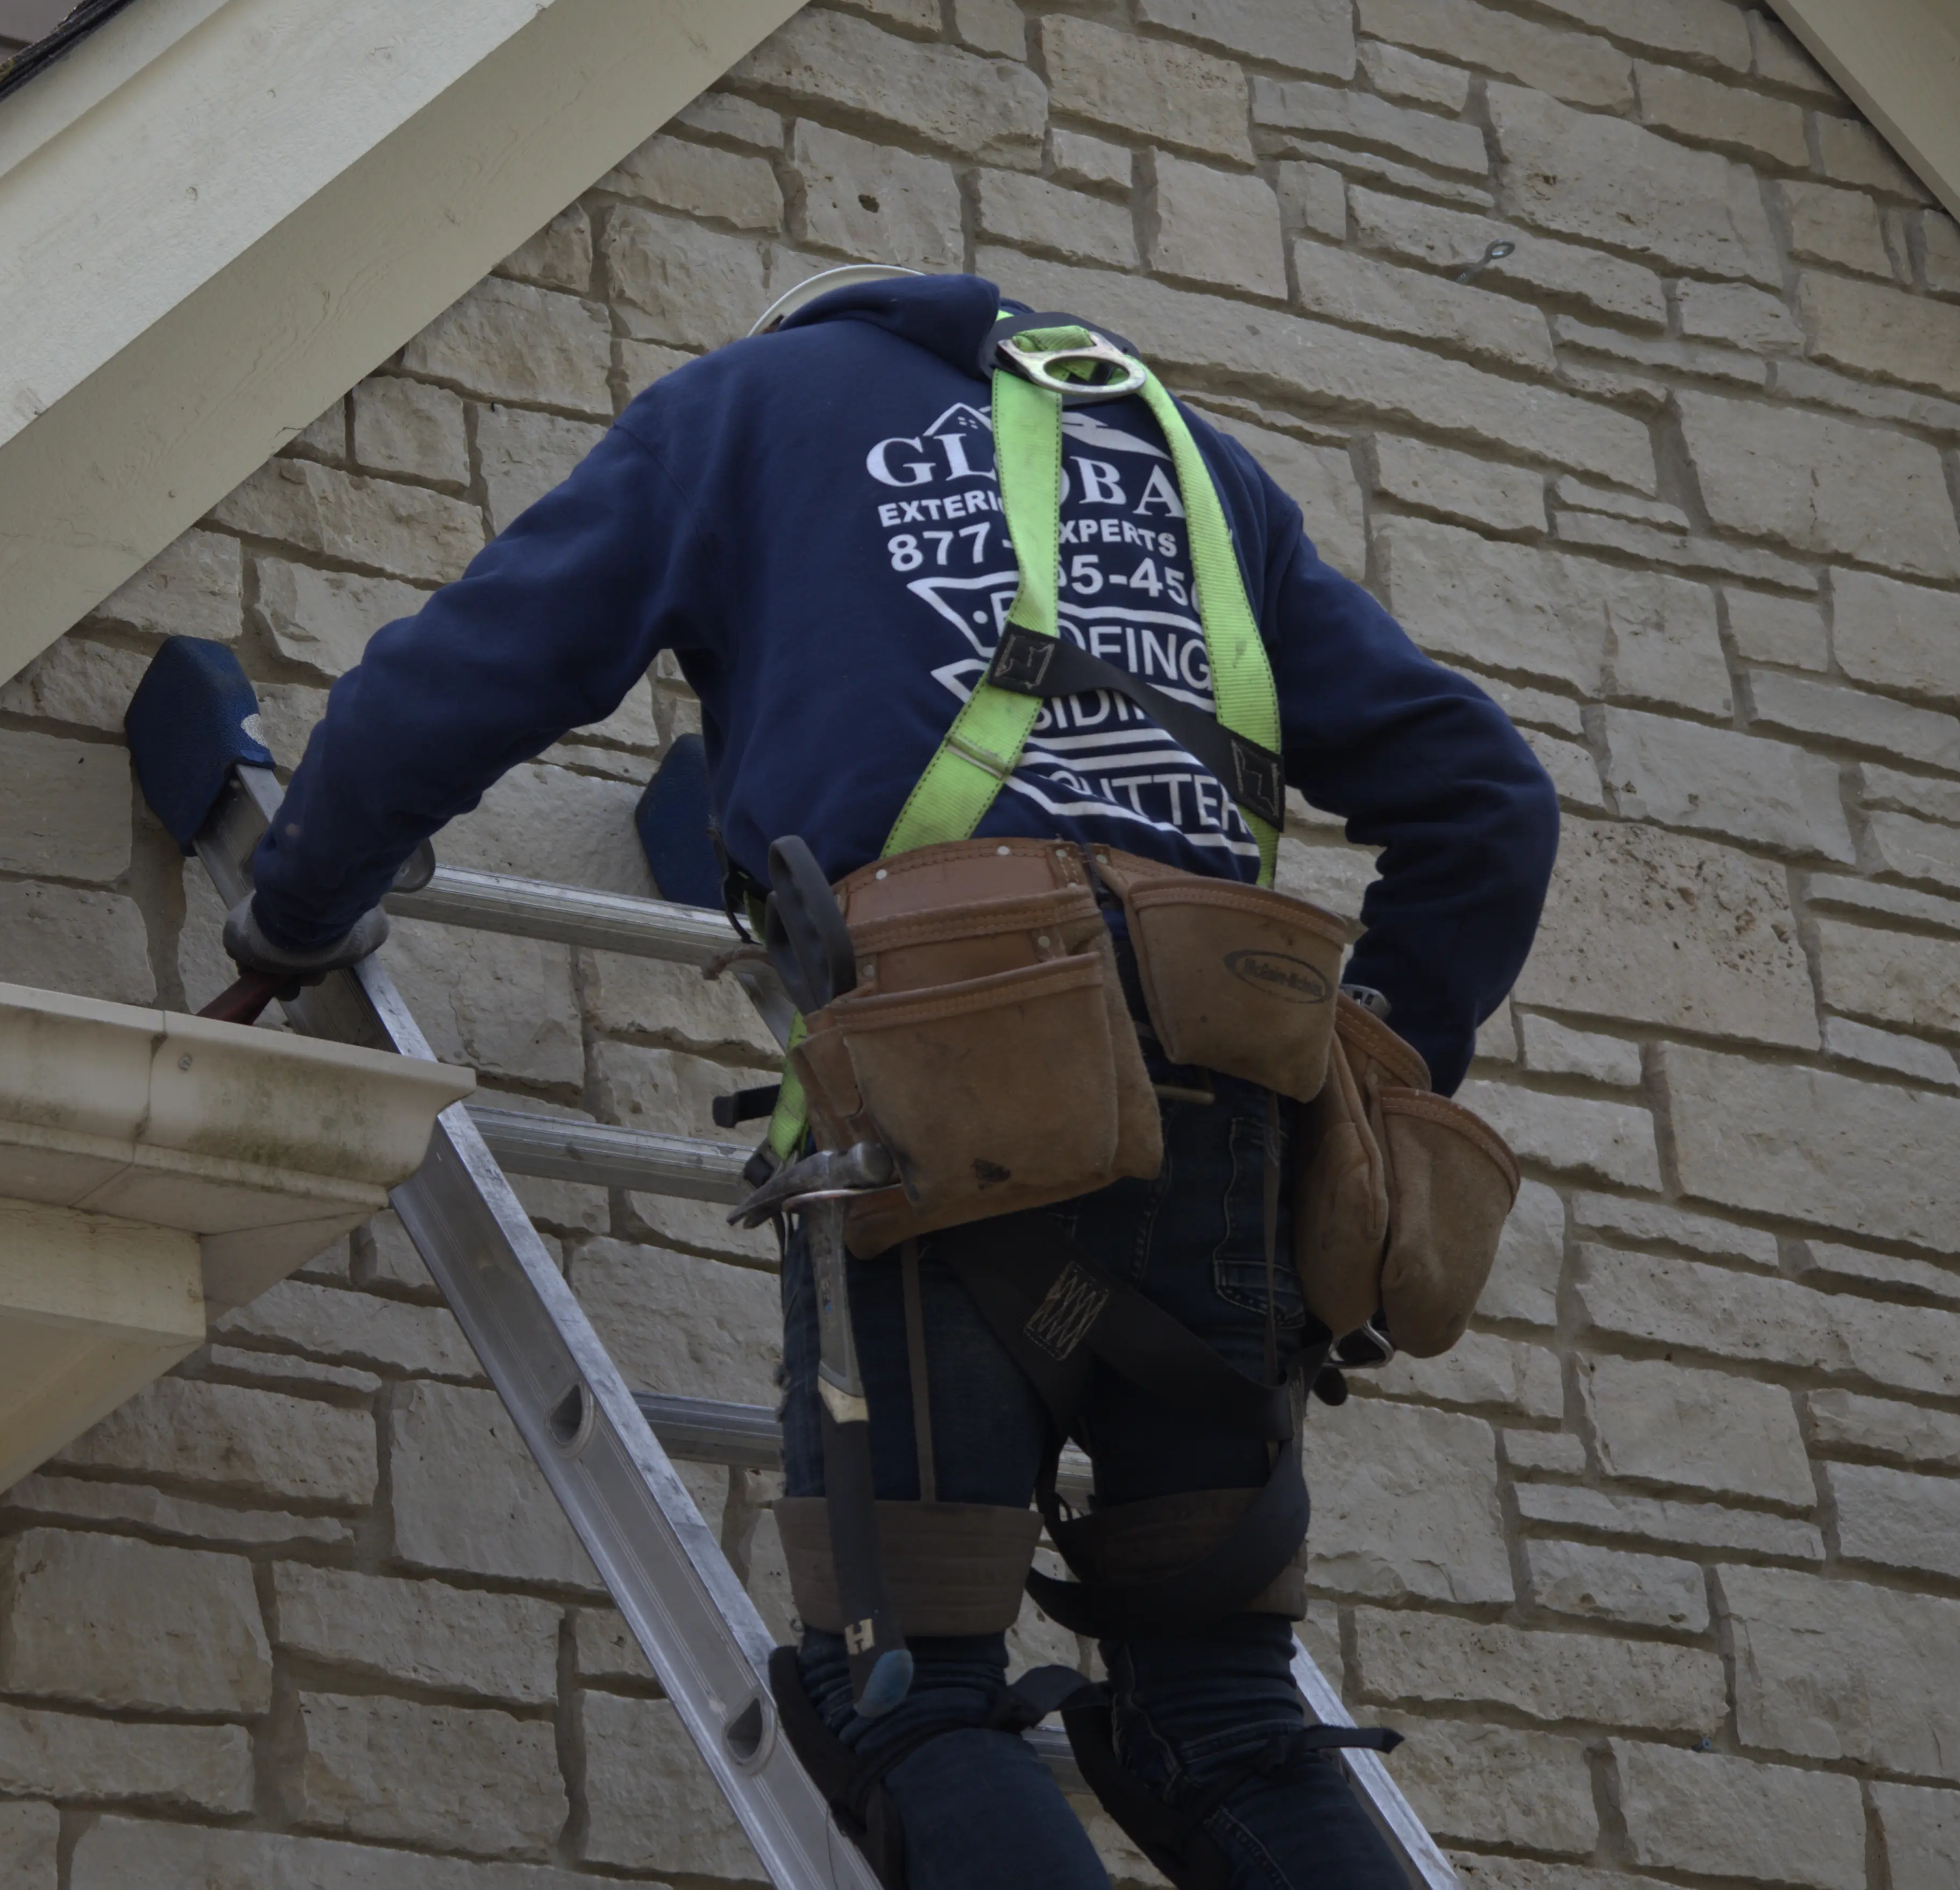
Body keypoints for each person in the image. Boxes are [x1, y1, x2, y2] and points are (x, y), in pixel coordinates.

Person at [231, 269, 1556, 1888]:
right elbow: (1486, 800)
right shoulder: (1189, 462)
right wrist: (1377, 1074)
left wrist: (295, 911)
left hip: (938, 1105)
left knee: (901, 1691)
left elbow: (460, 678)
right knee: (1218, 1714)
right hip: (1225, 1125)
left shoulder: (746, 411)